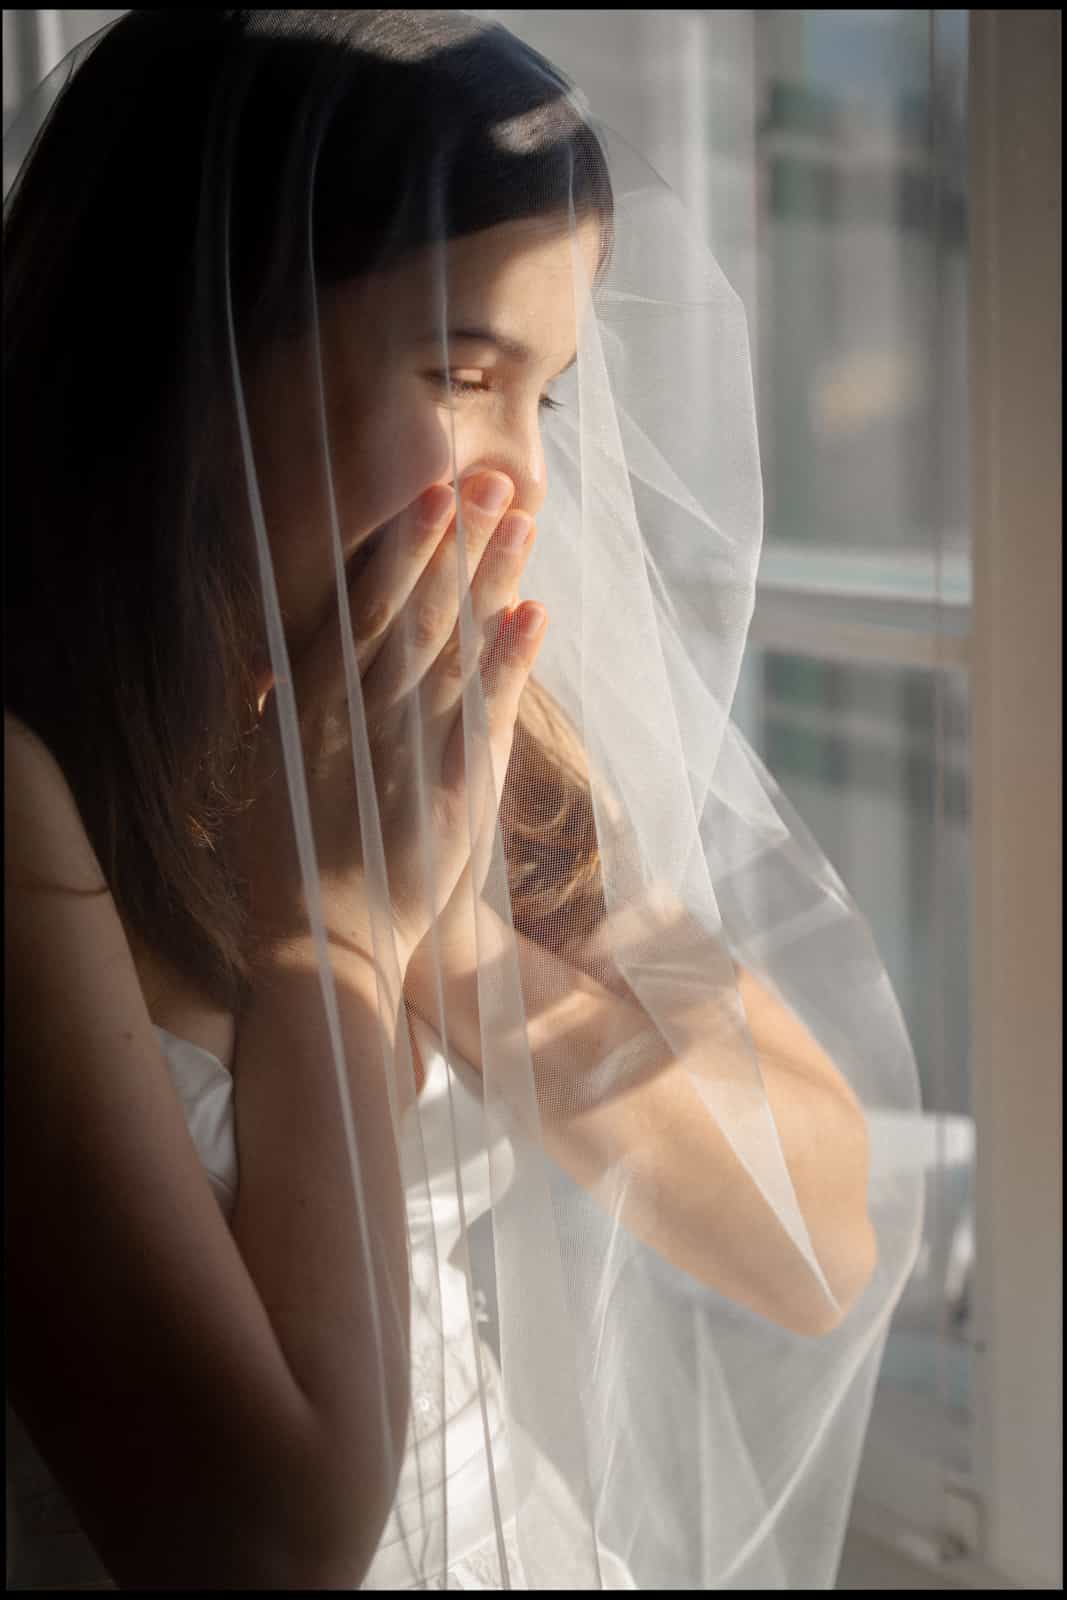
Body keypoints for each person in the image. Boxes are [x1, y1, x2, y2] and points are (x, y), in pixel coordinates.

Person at [4, 9, 924, 1590]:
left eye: (548, 398)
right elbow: (263, 1540)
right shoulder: (24, 796)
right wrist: (338, 945)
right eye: (464, 373)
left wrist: (446, 941)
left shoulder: (448, 739)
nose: (529, 484)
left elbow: (820, 1236)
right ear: (198, 350)